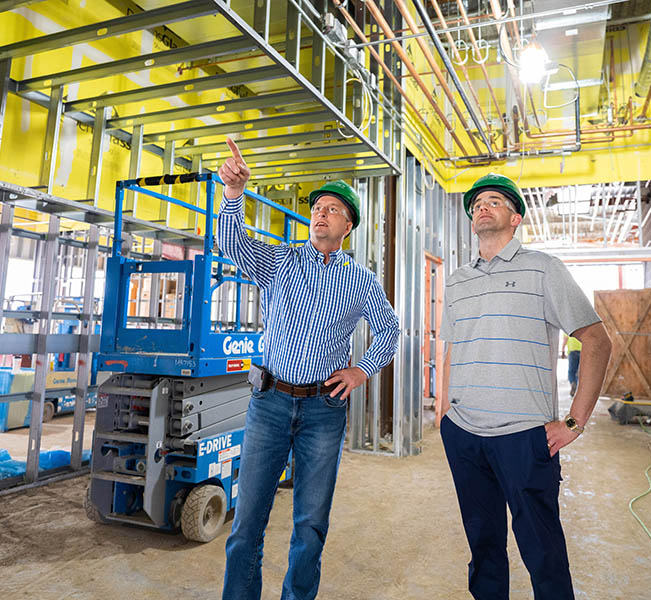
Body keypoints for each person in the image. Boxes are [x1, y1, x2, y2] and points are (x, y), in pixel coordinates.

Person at [216, 138, 400, 600]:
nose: (320, 213)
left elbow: (390, 330)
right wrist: (233, 196)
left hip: (324, 411)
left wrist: (361, 370)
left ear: (348, 225)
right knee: (246, 525)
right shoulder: (281, 260)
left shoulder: (360, 279)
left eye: (333, 208)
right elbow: (232, 244)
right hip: (270, 403)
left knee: (311, 526)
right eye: (317, 207)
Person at [439, 173, 612, 600]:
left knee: (543, 550)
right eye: (477, 202)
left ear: (515, 218)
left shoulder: (543, 268)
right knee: (483, 545)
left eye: (494, 200)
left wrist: (575, 422)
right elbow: (452, 346)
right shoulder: (458, 280)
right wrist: (446, 414)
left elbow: (596, 340)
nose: (482, 206)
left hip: (524, 436)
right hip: (464, 434)